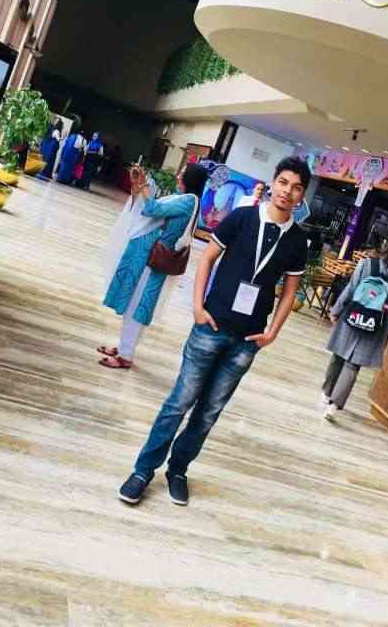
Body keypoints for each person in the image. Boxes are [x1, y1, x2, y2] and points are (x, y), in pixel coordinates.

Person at [117, 156, 310, 507]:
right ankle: (143, 470)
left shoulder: (298, 241)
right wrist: (197, 306)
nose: (287, 191)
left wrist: (272, 333)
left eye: (296, 187)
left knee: (209, 412)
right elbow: (207, 257)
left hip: (247, 341)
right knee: (179, 403)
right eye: (283, 182)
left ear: (302, 195)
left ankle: (178, 470)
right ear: (273, 183)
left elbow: (290, 292)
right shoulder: (242, 217)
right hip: (211, 326)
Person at [98, 162, 209, 369]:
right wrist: (141, 185)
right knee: (135, 303)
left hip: (154, 261)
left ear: (191, 178)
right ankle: (123, 347)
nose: (178, 176)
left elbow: (152, 209)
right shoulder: (188, 200)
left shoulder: (187, 201)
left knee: (138, 306)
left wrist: (143, 186)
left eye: (183, 173)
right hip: (151, 259)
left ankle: (125, 356)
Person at [321, 234, 388, 421]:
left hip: (352, 316)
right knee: (352, 365)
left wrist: (336, 310)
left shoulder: (368, 264)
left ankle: (326, 393)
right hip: (374, 325)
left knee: (338, 355)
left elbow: (351, 289)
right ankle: (334, 406)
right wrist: (383, 335)